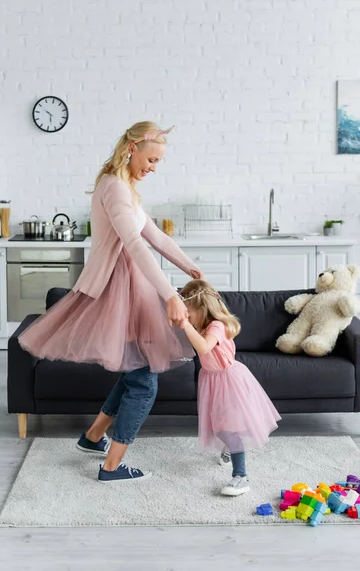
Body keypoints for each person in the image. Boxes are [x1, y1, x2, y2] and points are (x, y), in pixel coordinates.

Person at [18, 121, 203, 483]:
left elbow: (156, 238)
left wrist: (190, 267)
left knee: (136, 371)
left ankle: (92, 439)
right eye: (151, 159)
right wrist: (169, 295)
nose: (153, 167)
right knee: (144, 381)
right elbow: (135, 245)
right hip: (120, 289)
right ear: (132, 148)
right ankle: (112, 467)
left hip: (129, 288)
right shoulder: (115, 189)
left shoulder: (123, 187)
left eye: (158, 162)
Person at [179, 279, 281, 496]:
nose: (187, 317)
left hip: (228, 381)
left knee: (229, 429)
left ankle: (241, 476)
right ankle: (229, 448)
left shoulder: (216, 326)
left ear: (202, 308)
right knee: (219, 426)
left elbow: (204, 346)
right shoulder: (203, 325)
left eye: (190, 313)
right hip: (212, 380)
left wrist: (186, 325)